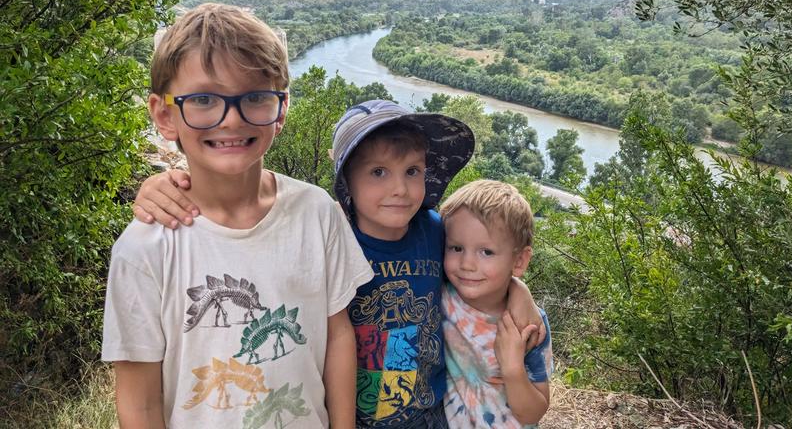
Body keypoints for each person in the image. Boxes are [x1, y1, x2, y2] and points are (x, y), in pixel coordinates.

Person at [133, 99, 545, 428]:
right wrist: (163, 182)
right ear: (347, 181)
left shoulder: (435, 232)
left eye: (413, 171)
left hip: (427, 412)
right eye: (378, 172)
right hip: (350, 413)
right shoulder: (327, 230)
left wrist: (518, 292)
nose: (399, 189)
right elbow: (261, 204)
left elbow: (481, 260)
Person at [102, 3, 374, 428]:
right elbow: (139, 403)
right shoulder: (143, 249)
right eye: (205, 99)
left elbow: (337, 335)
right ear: (163, 115)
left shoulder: (318, 212)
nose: (230, 119)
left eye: (255, 97)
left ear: (280, 109)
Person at [439, 180, 552, 427]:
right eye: (456, 248)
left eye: (486, 252)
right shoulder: (440, 297)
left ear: (520, 260)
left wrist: (513, 369)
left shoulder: (529, 326)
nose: (467, 263)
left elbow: (534, 413)